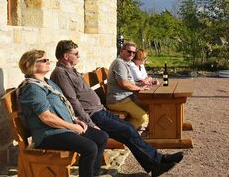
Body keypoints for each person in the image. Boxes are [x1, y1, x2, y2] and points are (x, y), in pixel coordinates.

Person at [50, 40, 183, 176]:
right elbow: (73, 101)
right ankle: (157, 162)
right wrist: (89, 123)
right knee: (127, 130)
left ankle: (158, 161)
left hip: (100, 110)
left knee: (129, 129)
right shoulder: (61, 73)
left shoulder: (70, 70)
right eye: (76, 53)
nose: (79, 56)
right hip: (93, 115)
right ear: (66, 56)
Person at [16, 49, 108, 177]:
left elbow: (62, 105)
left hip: (62, 128)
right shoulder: (32, 88)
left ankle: (93, 174)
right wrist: (72, 126)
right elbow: (46, 117)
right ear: (30, 65)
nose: (48, 62)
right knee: (89, 147)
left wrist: (75, 119)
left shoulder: (47, 82)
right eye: (43, 60)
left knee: (101, 137)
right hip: (48, 134)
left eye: (48, 59)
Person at [106, 41, 150, 130]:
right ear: (121, 51)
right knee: (143, 117)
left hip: (126, 98)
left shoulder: (125, 63)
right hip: (118, 100)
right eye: (129, 51)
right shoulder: (119, 63)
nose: (132, 54)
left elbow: (128, 82)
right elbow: (124, 84)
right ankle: (123, 135)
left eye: (134, 52)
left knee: (151, 105)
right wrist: (139, 88)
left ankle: (133, 126)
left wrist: (140, 85)